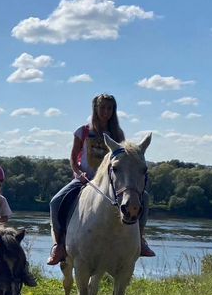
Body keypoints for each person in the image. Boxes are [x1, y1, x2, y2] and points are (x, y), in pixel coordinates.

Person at [46, 94, 155, 265]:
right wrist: (77, 173)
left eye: (109, 108)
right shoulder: (82, 131)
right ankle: (58, 245)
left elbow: (124, 160)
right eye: (102, 107)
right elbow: (74, 157)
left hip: (111, 183)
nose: (106, 111)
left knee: (144, 198)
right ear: (96, 109)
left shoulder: (118, 134)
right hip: (86, 179)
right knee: (55, 201)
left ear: (113, 111)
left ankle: (139, 240)